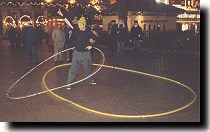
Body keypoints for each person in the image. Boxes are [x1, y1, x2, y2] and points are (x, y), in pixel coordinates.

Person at [57, 8, 98, 90]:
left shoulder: (88, 32)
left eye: (81, 25)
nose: (79, 26)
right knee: (73, 69)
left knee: (88, 68)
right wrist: (62, 15)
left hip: (86, 53)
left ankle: (90, 80)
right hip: (77, 53)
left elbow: (96, 38)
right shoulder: (75, 29)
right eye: (78, 25)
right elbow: (68, 21)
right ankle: (68, 83)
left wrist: (91, 46)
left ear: (84, 25)